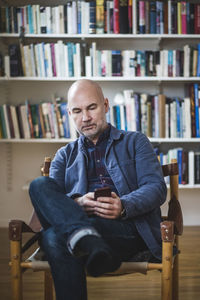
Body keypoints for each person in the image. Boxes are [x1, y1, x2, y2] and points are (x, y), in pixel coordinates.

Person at [29, 79, 167, 300]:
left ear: (105, 105)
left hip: (127, 230)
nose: (85, 118)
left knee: (54, 237)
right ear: (69, 113)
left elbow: (156, 187)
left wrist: (123, 206)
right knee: (39, 185)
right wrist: (77, 204)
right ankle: (86, 239)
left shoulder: (136, 142)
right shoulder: (63, 155)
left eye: (91, 107)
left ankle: (83, 237)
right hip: (84, 230)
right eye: (77, 111)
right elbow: (50, 203)